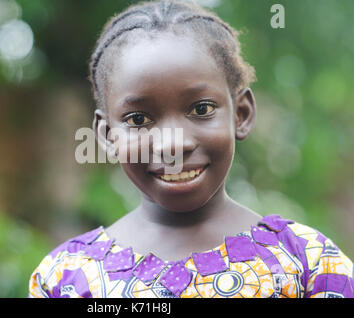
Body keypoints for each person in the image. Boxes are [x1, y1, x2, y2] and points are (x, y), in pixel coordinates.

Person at [28, 0, 353, 298]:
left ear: (241, 115)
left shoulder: (309, 263)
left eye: (201, 110)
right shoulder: (65, 278)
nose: (173, 143)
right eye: (138, 118)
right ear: (107, 134)